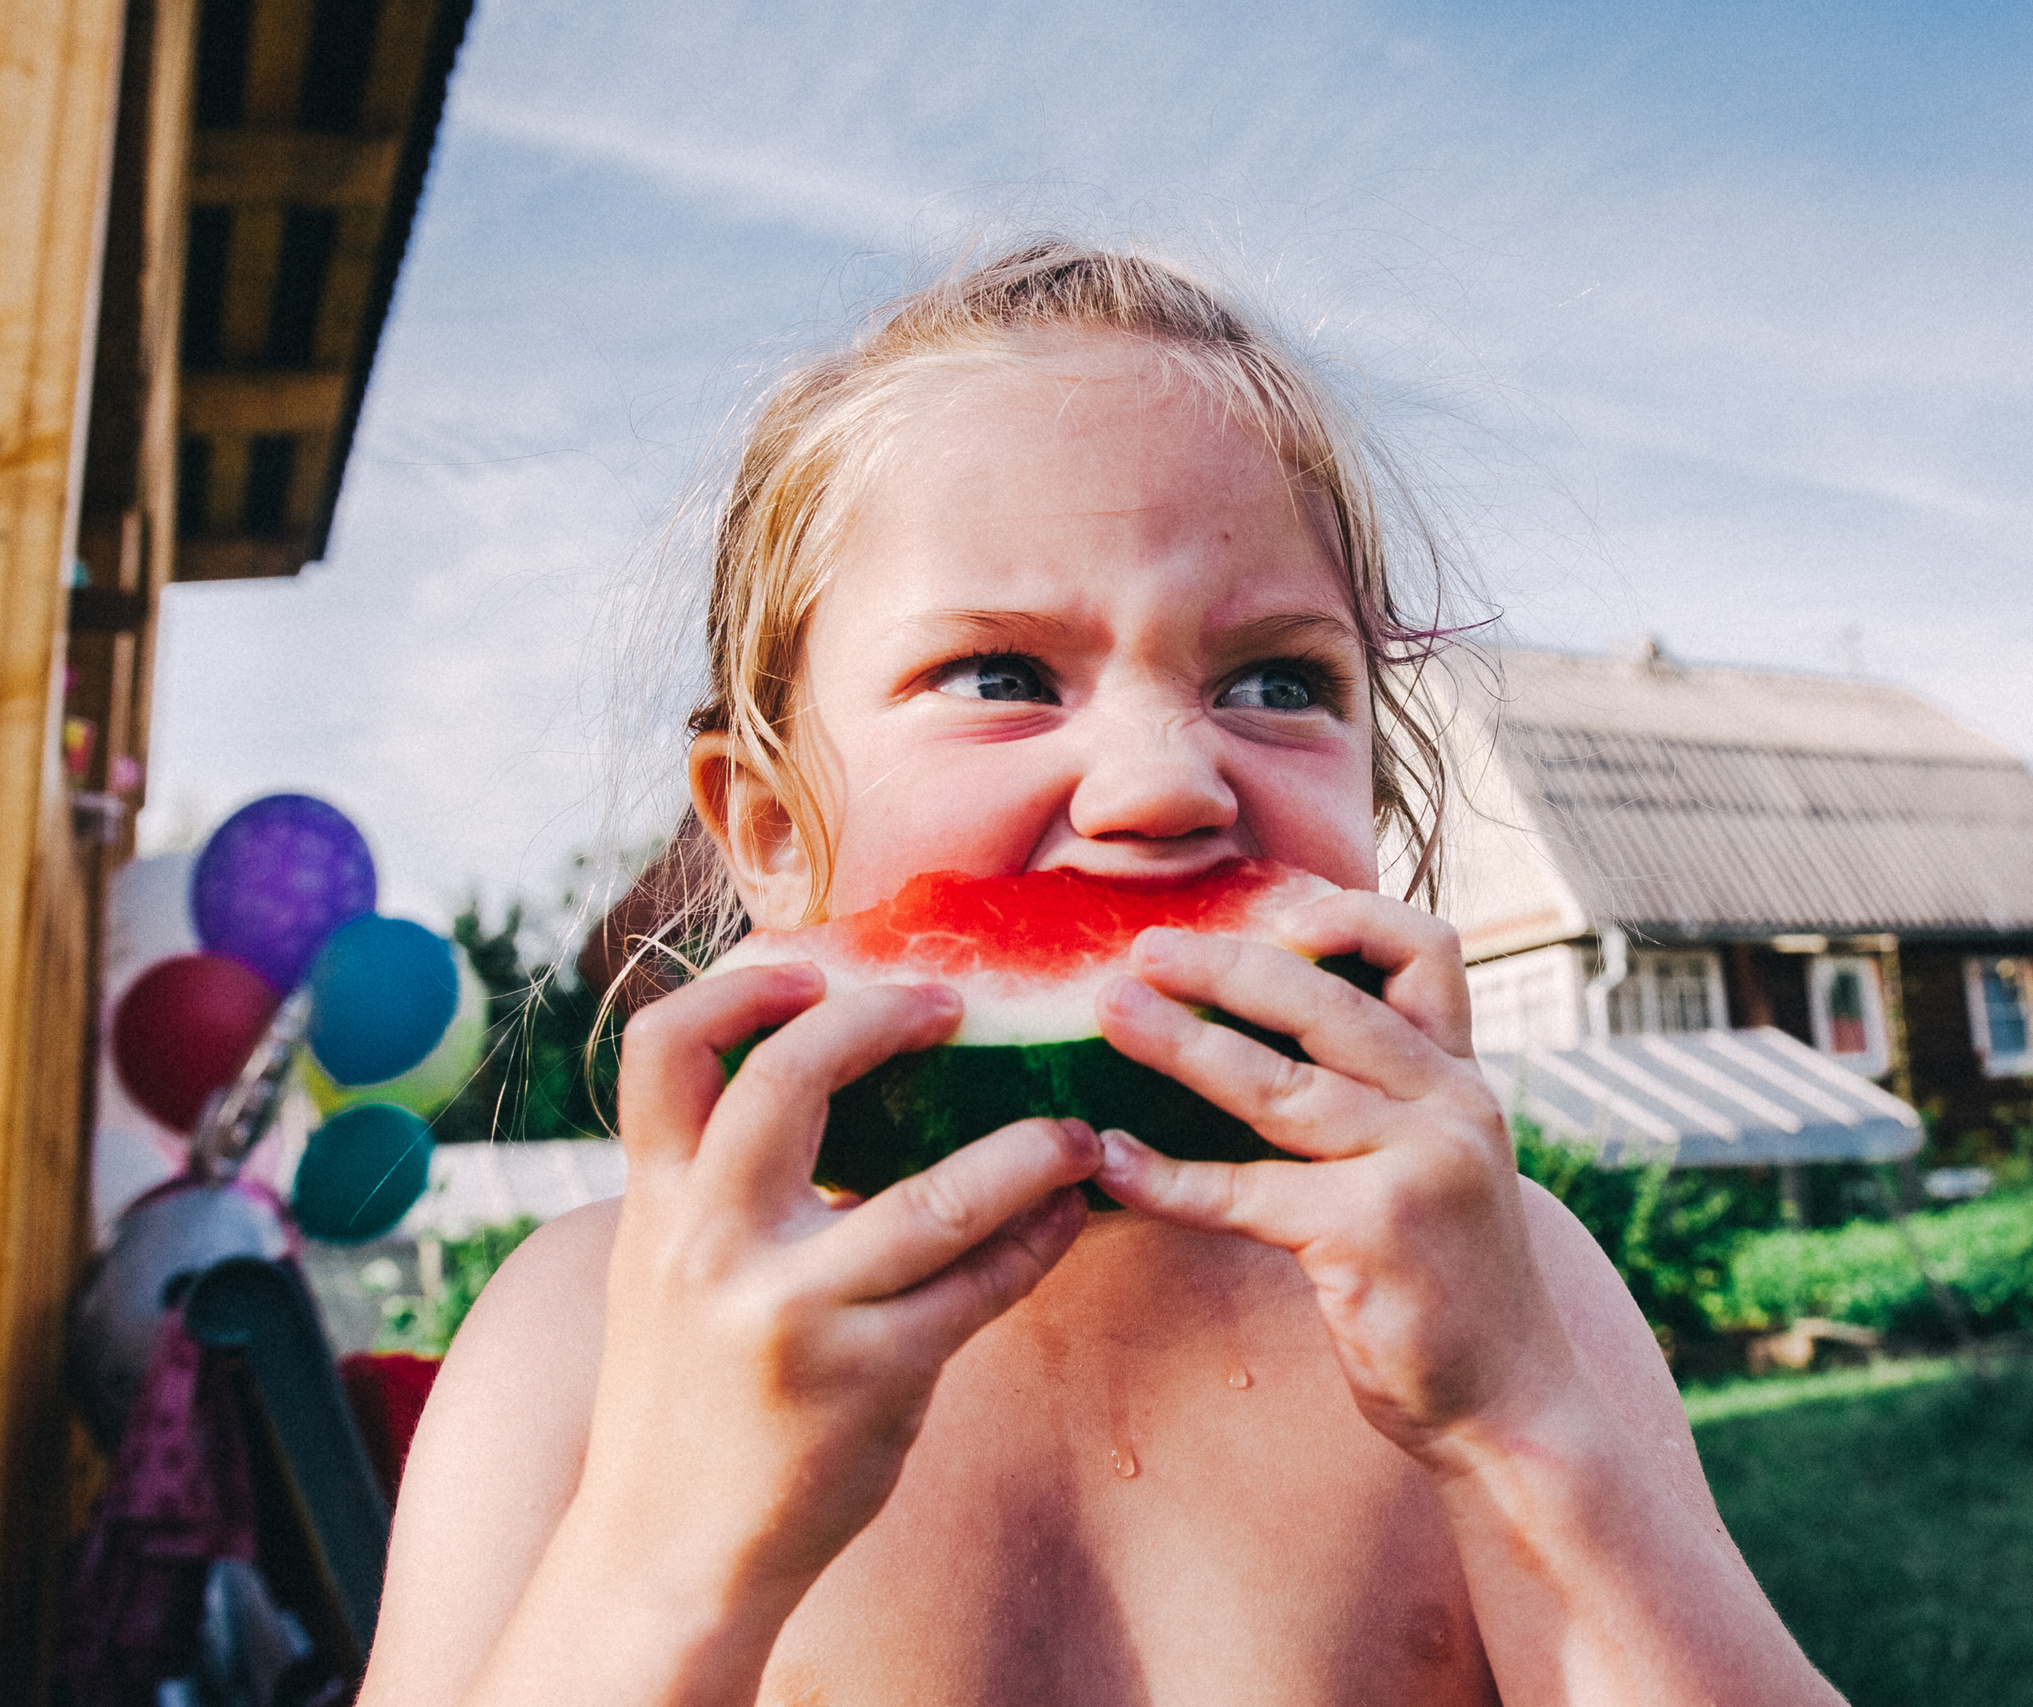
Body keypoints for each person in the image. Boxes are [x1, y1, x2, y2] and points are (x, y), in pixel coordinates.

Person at [361, 243, 1843, 1707]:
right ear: (764, 824)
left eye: (1278, 682)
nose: (1162, 783)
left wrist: (1522, 1420)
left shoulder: (1514, 1287)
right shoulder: (582, 1339)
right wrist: (667, 1549)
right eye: (1002, 676)